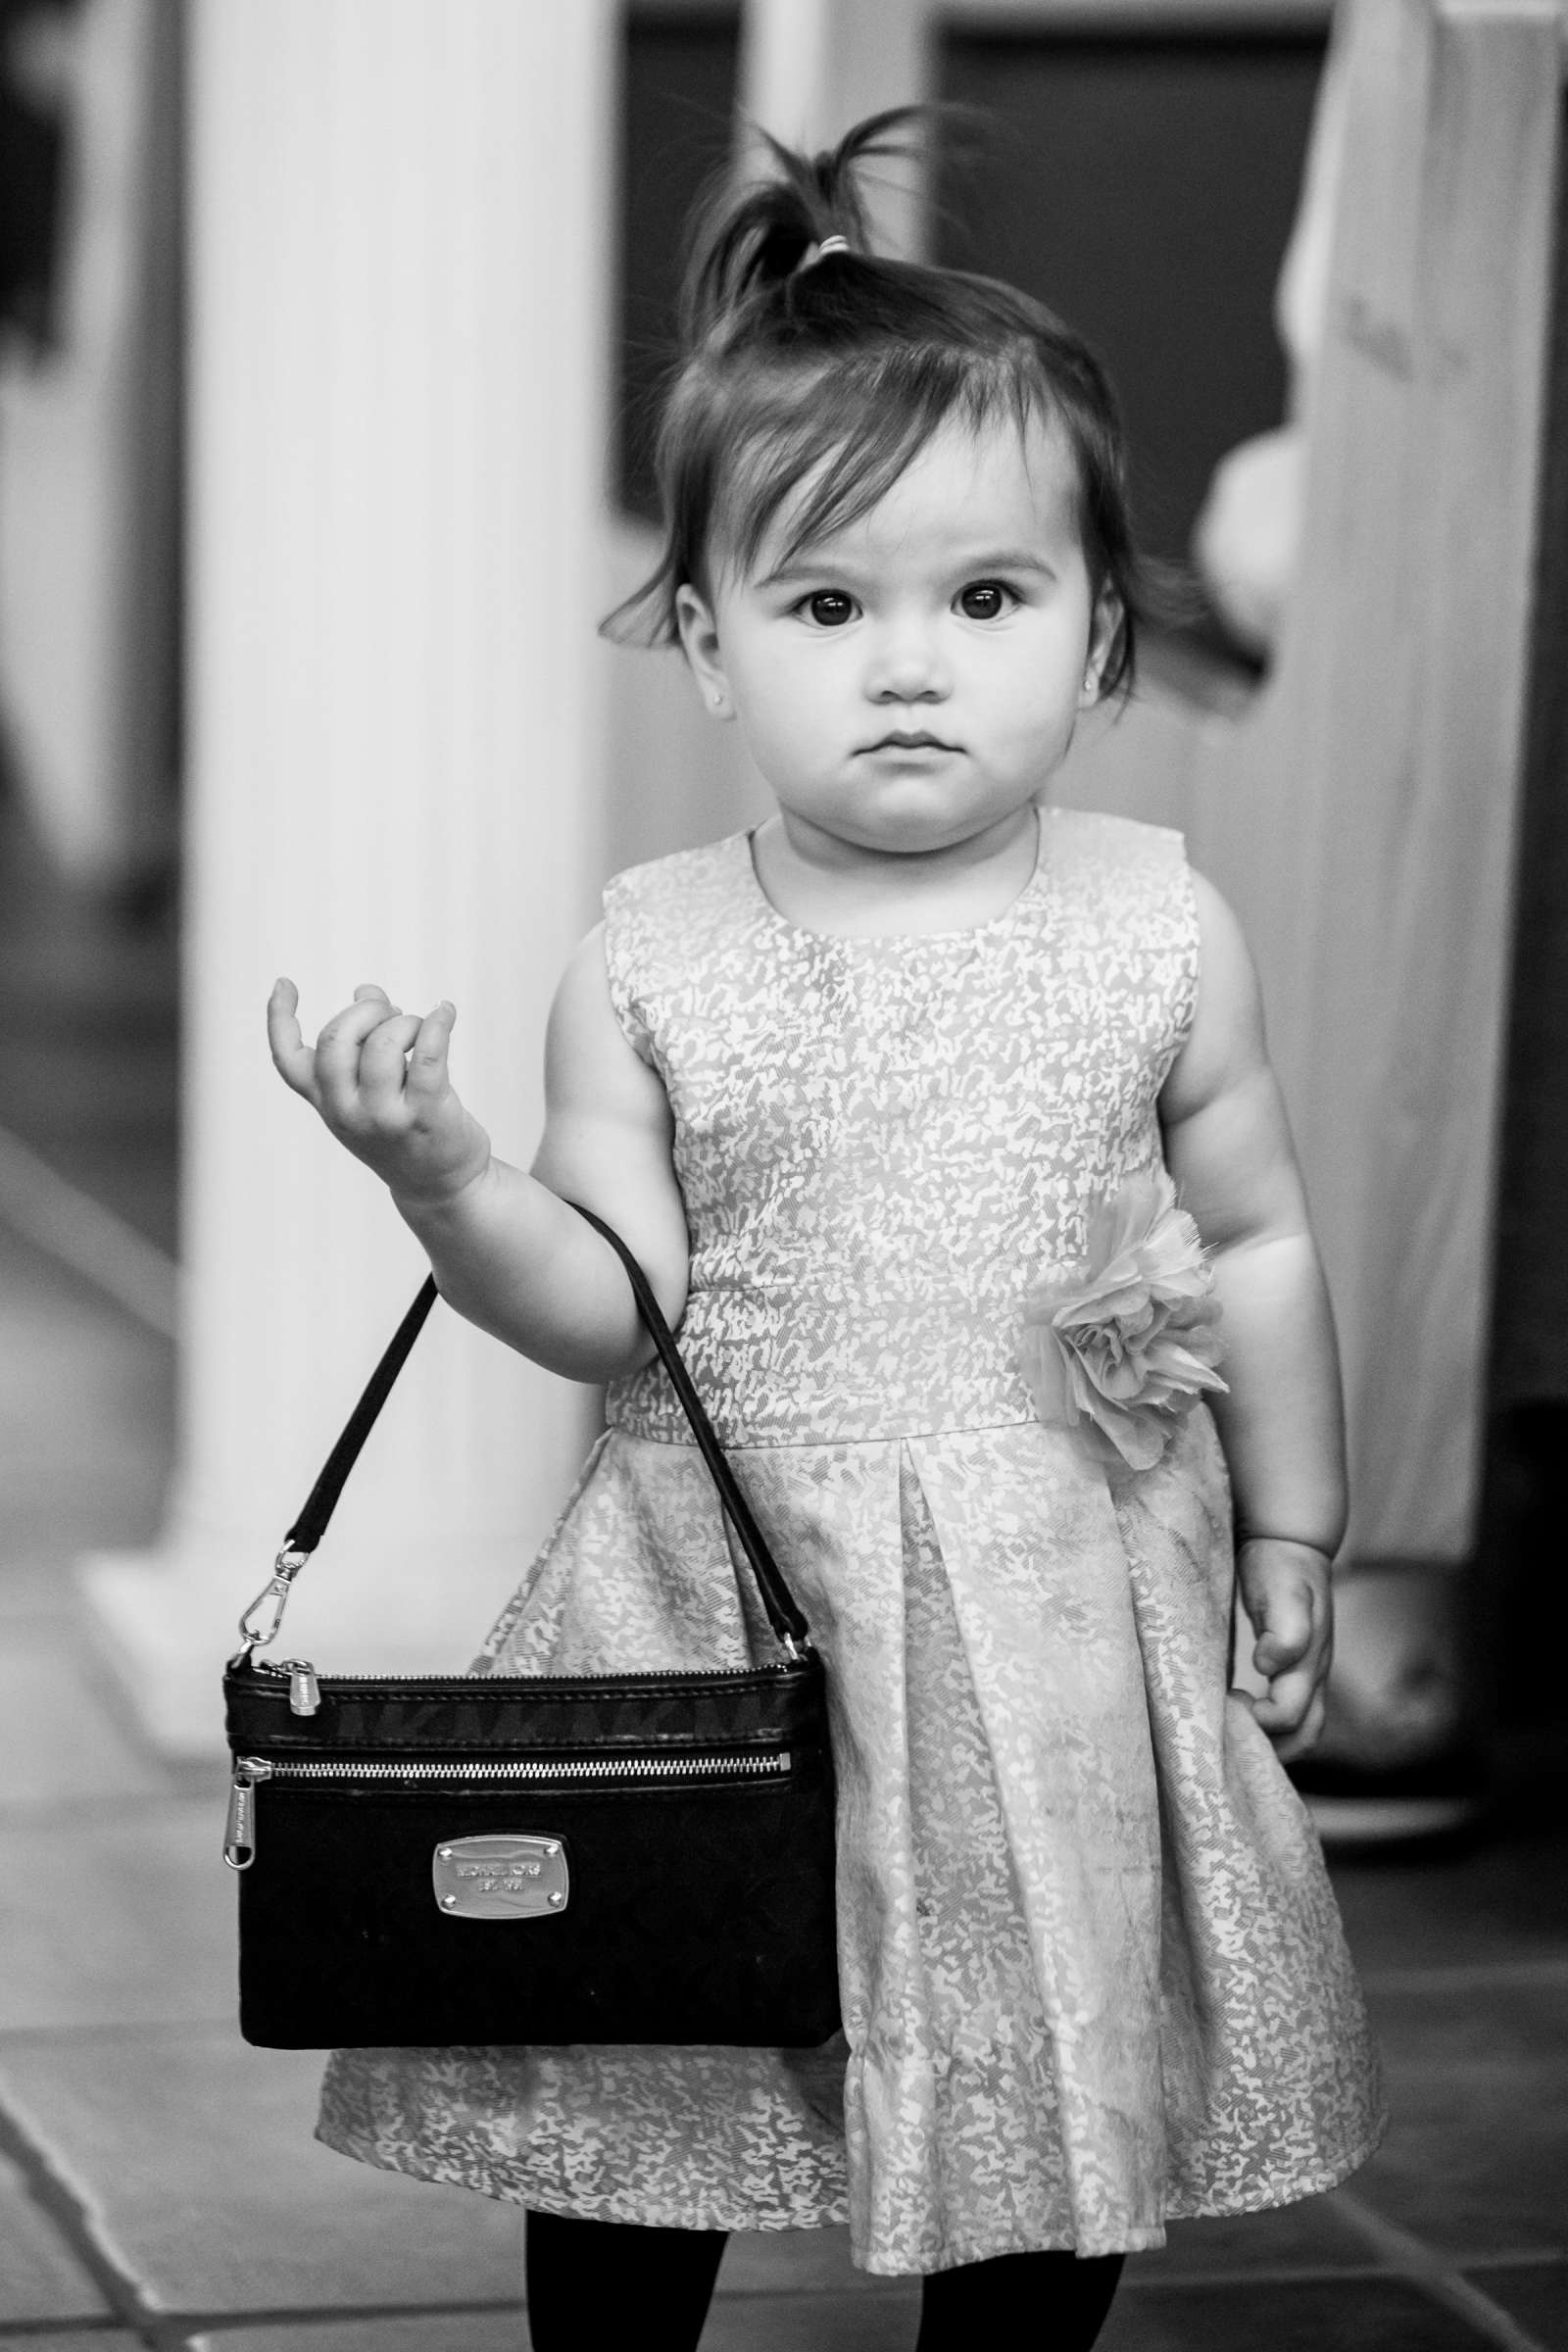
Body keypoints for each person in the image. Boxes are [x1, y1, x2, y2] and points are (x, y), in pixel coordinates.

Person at [267, 113, 1384, 2352]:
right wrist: (453, 1183)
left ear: (1095, 639)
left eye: (983, 600)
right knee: (651, 2029)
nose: (905, 665)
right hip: (717, 1585)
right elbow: (611, 1309)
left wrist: (1296, 1527)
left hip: (1059, 1594)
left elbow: (1251, 1237)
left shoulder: (1157, 927)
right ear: (704, 644)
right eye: (822, 604)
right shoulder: (652, 954)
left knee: (1045, 2035)